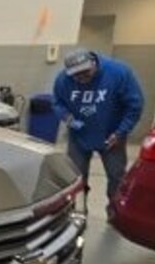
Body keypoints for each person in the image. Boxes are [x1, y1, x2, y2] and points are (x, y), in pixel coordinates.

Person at [52, 49, 144, 203]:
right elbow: (57, 102)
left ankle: (115, 213)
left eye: (85, 72)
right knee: (75, 178)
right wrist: (67, 118)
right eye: (76, 75)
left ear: (93, 63)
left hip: (111, 136)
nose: (81, 78)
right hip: (79, 137)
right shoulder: (63, 80)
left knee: (116, 177)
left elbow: (135, 105)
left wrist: (121, 132)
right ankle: (78, 211)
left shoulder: (118, 73)